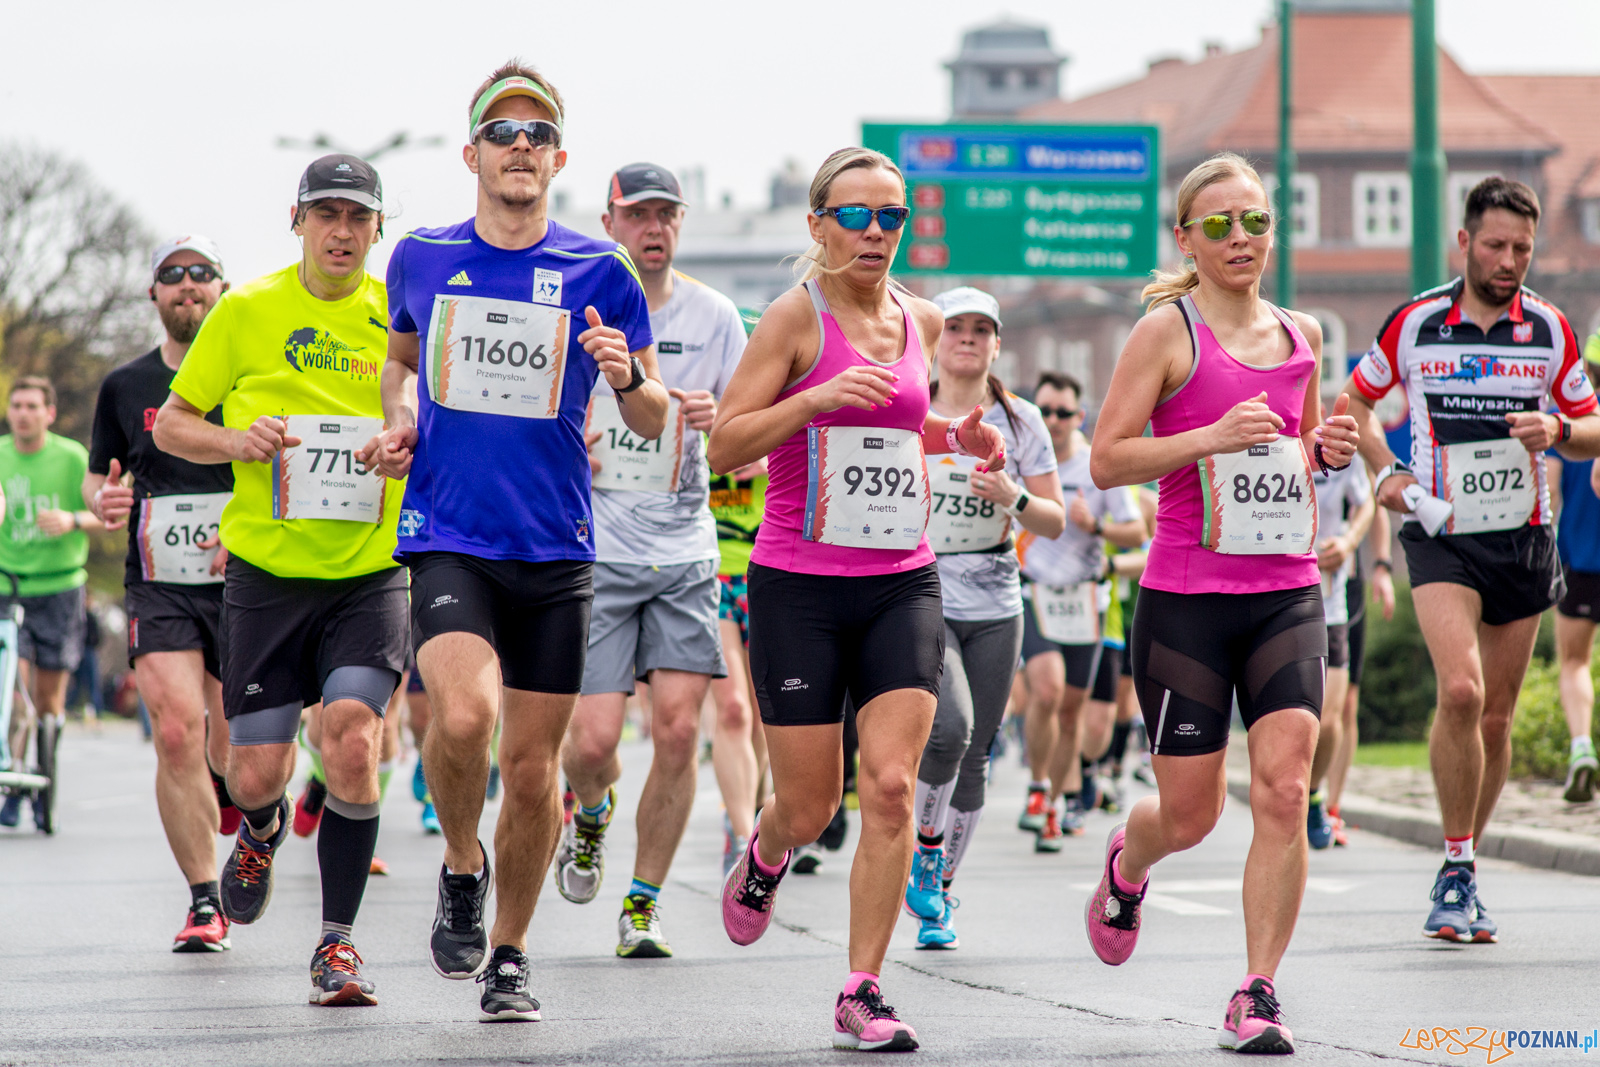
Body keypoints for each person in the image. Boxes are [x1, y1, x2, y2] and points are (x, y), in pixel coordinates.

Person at [366, 61, 664, 1021]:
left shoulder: (600, 270)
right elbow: (399, 364)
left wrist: (625, 379)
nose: (522, 145)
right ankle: (462, 861)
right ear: (473, 153)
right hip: (450, 531)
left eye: (539, 132)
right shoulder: (419, 255)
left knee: (535, 769)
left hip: (558, 544)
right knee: (460, 720)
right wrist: (402, 415)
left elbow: (655, 418)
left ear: (560, 158)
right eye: (504, 130)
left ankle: (509, 953)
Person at [708, 146, 1005, 1052]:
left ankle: (863, 988)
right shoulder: (792, 322)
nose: (876, 232)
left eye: (892, 217)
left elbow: (902, 415)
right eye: (857, 215)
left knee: (887, 788)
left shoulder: (921, 317)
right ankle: (766, 849)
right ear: (818, 223)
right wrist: (816, 397)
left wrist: (954, 432)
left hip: (900, 581)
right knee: (809, 807)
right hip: (799, 583)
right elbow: (724, 444)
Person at [1086, 151, 1360, 1055]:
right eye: (1219, 225)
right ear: (1187, 239)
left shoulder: (1301, 337)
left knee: (1286, 788)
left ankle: (1258, 991)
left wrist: (1325, 451)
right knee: (1193, 814)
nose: (1239, 238)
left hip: (1285, 592)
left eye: (1254, 222)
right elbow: (1108, 459)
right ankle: (1131, 862)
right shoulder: (1167, 332)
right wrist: (1207, 434)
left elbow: (1296, 461)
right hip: (1187, 599)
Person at [154, 154, 407, 1006]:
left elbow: (444, 420)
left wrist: (406, 442)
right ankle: (259, 829)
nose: (342, 231)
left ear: (379, 229)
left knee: (351, 738)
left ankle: (338, 945)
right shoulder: (246, 309)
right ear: (296, 220)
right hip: (265, 573)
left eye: (359, 217)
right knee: (253, 771)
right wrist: (238, 442)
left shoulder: (402, 315)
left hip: (371, 572)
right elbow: (175, 428)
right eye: (326, 213)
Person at [1341, 176, 1600, 944]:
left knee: (1497, 713)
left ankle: (1468, 863)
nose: (1509, 260)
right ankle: (1455, 865)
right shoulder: (1417, 324)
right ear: (1464, 242)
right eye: (1495, 245)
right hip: (1440, 529)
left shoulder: (1550, 330)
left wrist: (1556, 428)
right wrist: (1387, 473)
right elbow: (1354, 406)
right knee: (1460, 689)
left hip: (1521, 535)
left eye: (1522, 248)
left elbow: (1592, 427)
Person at [555, 161, 746, 958]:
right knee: (593, 742)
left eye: (667, 214)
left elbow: (757, 437)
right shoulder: (573, 301)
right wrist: (574, 447)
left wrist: (717, 420)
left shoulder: (716, 316)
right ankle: (590, 812)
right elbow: (528, 418)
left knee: (677, 731)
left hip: (683, 550)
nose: (654, 228)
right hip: (596, 548)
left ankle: (643, 899)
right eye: (638, 215)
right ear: (610, 222)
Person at [85, 235, 237, 951]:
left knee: (242, 748)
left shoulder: (248, 375)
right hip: (158, 582)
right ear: (154, 294)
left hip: (247, 578)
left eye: (200, 274)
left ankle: (248, 806)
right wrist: (104, 501)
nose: (186, 285)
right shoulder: (125, 386)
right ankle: (206, 901)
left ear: (220, 288)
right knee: (176, 731)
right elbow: (97, 479)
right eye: (171, 276)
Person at [902, 285, 1065, 949]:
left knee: (978, 755)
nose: (967, 337)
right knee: (949, 730)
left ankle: (938, 893)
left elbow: (1052, 519)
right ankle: (926, 845)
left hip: (998, 600)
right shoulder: (908, 408)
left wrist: (1012, 494)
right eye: (956, 326)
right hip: (923, 593)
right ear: (935, 337)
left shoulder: (1022, 420)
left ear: (998, 343)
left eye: (981, 329)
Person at [1016, 373, 1145, 849]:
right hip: (1034, 592)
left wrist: (1096, 529)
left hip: (1086, 601)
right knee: (1045, 691)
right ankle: (1035, 788)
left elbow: (1134, 532)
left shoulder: (1098, 468)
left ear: (1079, 417)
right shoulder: (1024, 461)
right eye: (1045, 410)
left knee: (1070, 714)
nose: (1052, 421)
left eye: (1063, 412)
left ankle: (1052, 804)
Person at [0, 376, 104, 830]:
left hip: (61, 589)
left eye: (31, 406)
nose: (22, 413)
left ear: (49, 413)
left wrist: (73, 518)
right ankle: (14, 786)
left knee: (48, 701)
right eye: (15, 405)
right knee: (12, 694)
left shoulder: (71, 457)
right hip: (10, 589)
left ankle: (46, 771)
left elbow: (109, 513)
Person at [1304, 461, 1373, 848]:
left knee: (1328, 719)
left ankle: (1314, 795)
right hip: (1278, 601)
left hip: (1330, 604)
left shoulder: (1335, 448)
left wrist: (1348, 543)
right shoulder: (1260, 437)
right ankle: (1288, 801)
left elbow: (1368, 504)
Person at [708, 446, 770, 876]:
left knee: (767, 717)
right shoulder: (692, 401)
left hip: (769, 572)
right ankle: (744, 835)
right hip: (713, 574)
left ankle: (753, 810)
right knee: (734, 710)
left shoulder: (779, 398)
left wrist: (772, 456)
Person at [1548, 340, 1600, 803]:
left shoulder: (1570, 424)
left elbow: (1547, 493)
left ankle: (1582, 745)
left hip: (1579, 559)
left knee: (1574, 661)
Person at [1325, 501, 1394, 844]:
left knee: (1347, 702)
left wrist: (1381, 566)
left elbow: (1375, 503)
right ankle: (1303, 797)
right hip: (1292, 576)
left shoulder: (1353, 450)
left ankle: (1331, 808)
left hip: (1344, 585)